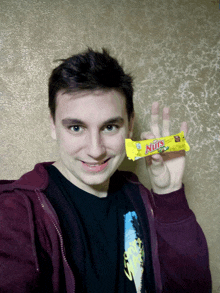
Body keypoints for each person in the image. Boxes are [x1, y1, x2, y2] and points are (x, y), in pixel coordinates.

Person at [0, 48, 211, 293]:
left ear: (130, 126)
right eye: (76, 128)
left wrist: (169, 194)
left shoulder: (139, 196)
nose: (95, 150)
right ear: (53, 126)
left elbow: (193, 287)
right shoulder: (16, 211)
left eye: (109, 127)